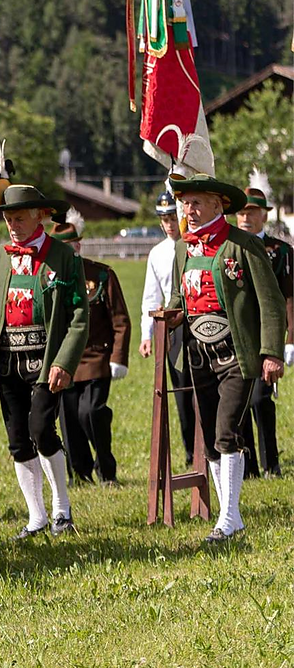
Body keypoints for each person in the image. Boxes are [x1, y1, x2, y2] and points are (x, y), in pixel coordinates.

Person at [0, 122, 88, 538]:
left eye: (19, 217)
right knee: (18, 440)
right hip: (7, 361)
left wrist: (64, 362)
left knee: (41, 430)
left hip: (45, 360)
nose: (12, 224)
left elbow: (78, 315)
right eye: (7, 218)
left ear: (40, 216)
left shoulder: (63, 257)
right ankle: (36, 516)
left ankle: (62, 509)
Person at [165, 173, 284, 543]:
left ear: (218, 205)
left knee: (226, 432)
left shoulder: (243, 245)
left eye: (197, 203)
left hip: (237, 353)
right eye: (185, 203)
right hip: (197, 354)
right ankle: (230, 517)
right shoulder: (182, 249)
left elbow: (271, 303)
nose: (189, 210)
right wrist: (170, 314)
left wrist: (272, 353)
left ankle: (228, 518)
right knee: (209, 437)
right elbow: (178, 297)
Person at [51, 213, 131, 485]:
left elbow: (120, 319)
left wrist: (118, 358)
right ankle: (80, 474)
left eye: (70, 245)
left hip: (97, 358)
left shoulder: (101, 275)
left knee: (91, 412)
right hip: (64, 360)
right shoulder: (49, 278)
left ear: (79, 245)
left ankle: (106, 469)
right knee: (69, 421)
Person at [234, 181, 292, 478]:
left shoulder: (279, 251)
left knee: (260, 399)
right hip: (238, 336)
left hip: (267, 335)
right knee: (239, 401)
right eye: (241, 212)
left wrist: (289, 339)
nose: (246, 217)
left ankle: (271, 463)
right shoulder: (229, 248)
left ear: (264, 215)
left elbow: (289, 298)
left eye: (252, 212)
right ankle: (248, 466)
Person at [140, 189, 194, 466]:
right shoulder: (157, 254)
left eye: (173, 218)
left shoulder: (193, 244)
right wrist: (146, 334)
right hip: (173, 329)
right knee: (182, 392)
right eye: (165, 219)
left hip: (197, 322)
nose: (170, 224)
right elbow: (151, 296)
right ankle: (191, 451)